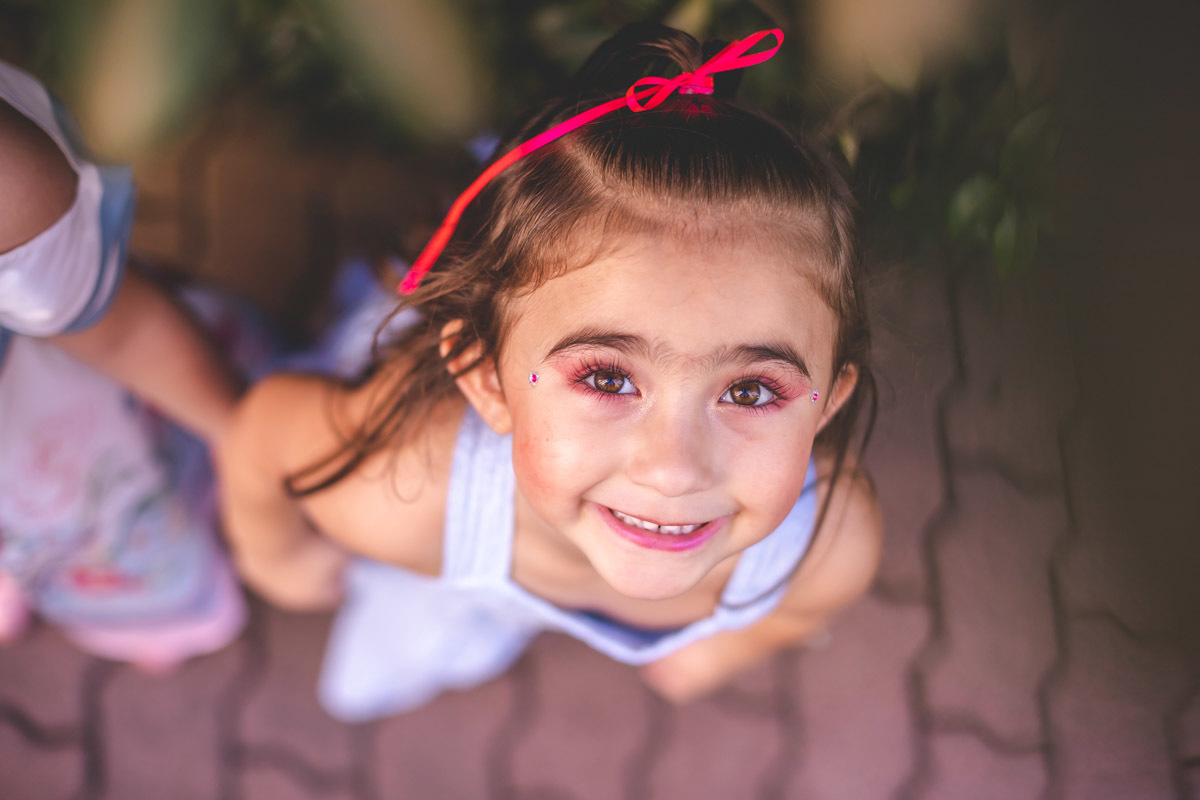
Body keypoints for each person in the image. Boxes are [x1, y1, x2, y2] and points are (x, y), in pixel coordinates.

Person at [219, 23, 883, 721]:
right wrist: (278, 556)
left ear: (828, 403)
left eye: (751, 391)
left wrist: (721, 653)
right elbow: (265, 431)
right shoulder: (401, 487)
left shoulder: (830, 549)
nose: (674, 471)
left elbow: (799, 613)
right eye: (606, 378)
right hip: (438, 495)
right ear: (485, 380)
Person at [0, 60, 252, 670]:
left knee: (143, 540)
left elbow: (125, 333)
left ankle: (177, 606)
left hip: (76, 427)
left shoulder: (9, 190)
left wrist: (245, 445)